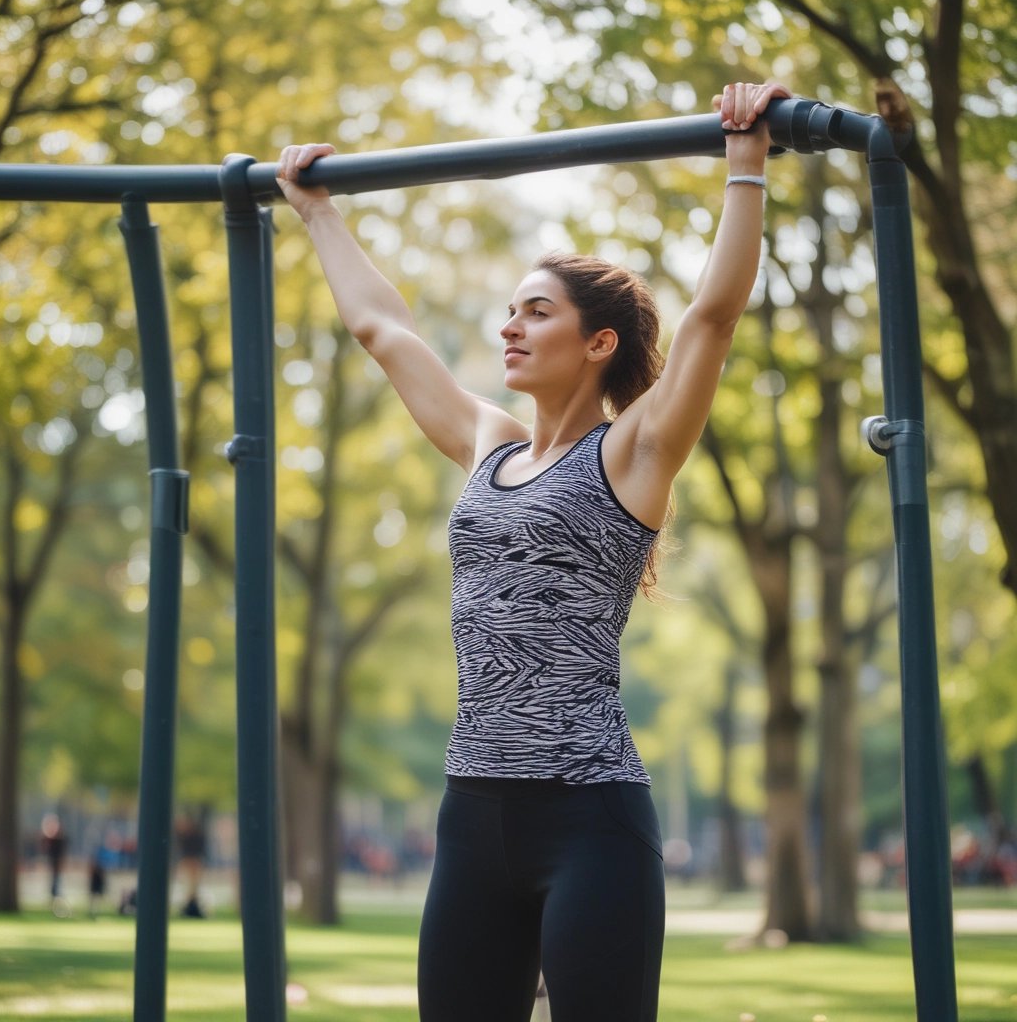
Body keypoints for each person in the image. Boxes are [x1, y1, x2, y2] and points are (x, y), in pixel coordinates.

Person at [277, 79, 790, 1022]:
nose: (509, 327)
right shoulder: (490, 446)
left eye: (536, 312)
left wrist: (745, 164)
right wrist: (316, 212)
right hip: (472, 815)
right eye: (510, 310)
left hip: (588, 815)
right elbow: (382, 331)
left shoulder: (633, 452)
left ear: (598, 342)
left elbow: (710, 321)